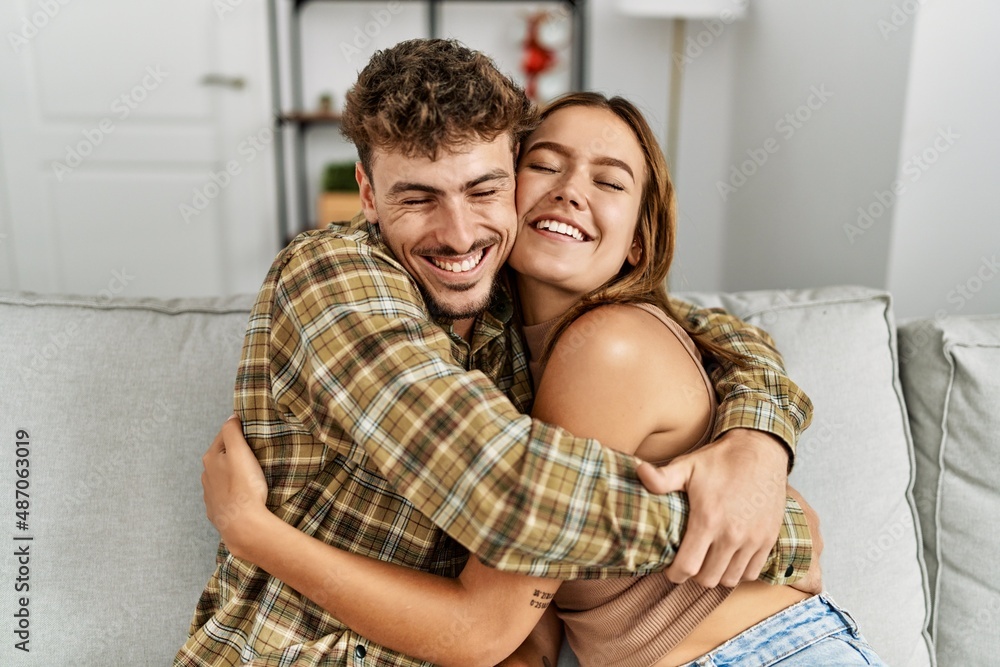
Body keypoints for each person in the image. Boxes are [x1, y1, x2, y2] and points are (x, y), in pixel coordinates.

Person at [177, 39, 816, 667]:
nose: (458, 232)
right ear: (368, 195)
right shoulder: (347, 277)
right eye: (418, 196)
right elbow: (506, 493)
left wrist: (759, 442)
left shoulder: (566, 329)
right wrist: (769, 528)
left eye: (483, 190)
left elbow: (728, 334)